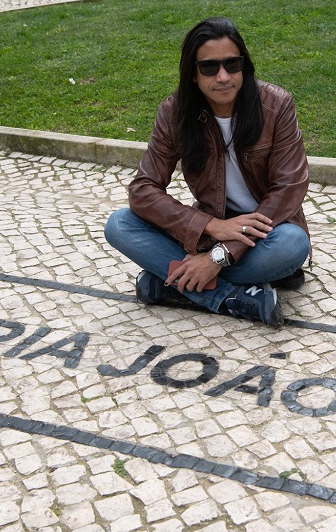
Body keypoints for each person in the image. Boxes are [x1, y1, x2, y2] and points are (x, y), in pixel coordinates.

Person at [104, 17, 310, 327]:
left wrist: (221, 254)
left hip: (267, 233)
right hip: (208, 232)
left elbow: (289, 188)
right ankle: (229, 297)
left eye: (232, 64)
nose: (224, 77)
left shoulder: (276, 106)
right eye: (210, 68)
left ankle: (168, 282)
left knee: (293, 244)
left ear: (245, 65)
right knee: (119, 224)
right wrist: (212, 226)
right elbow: (143, 189)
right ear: (192, 75)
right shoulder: (174, 113)